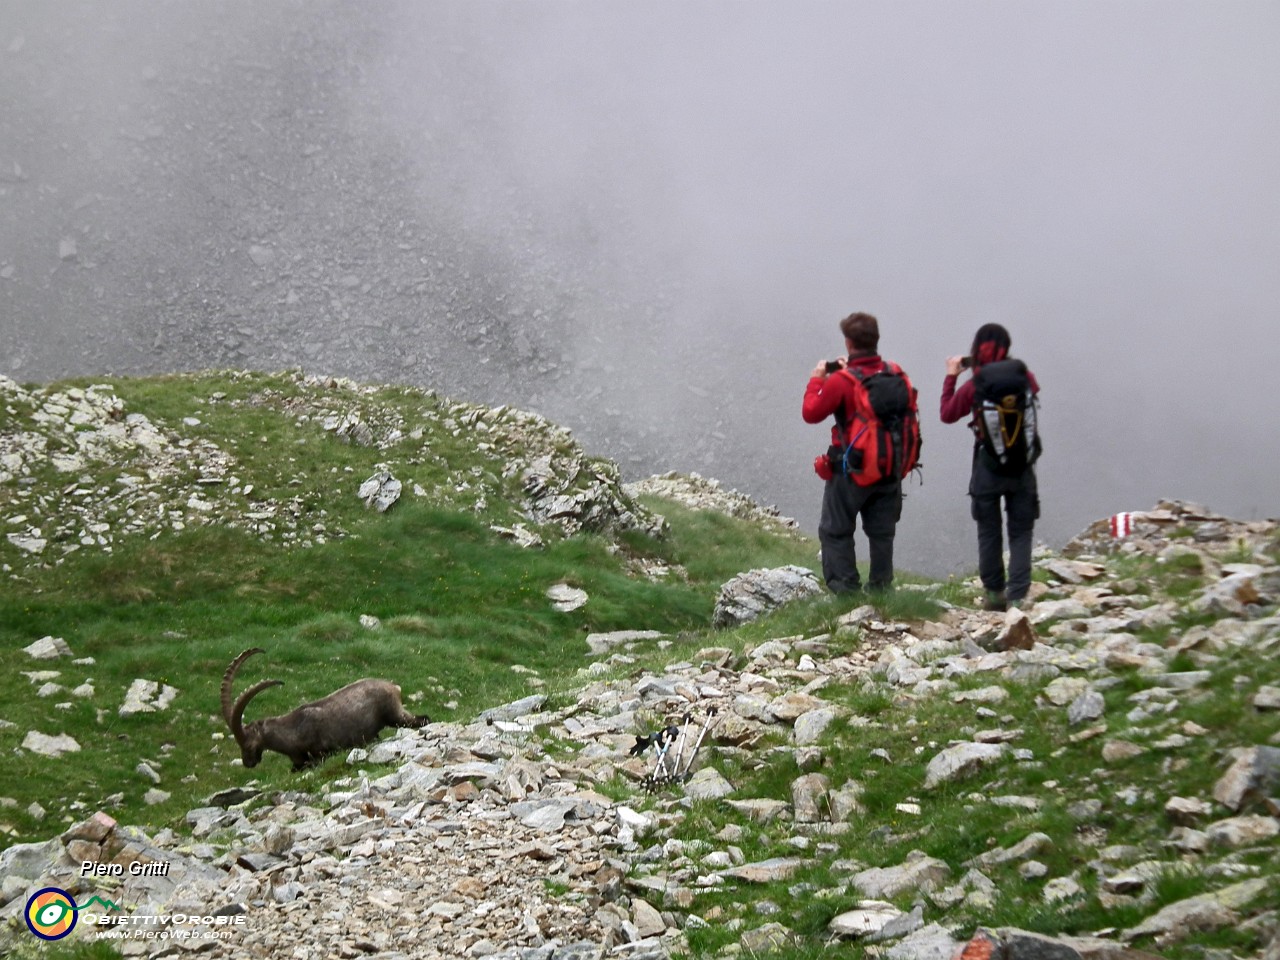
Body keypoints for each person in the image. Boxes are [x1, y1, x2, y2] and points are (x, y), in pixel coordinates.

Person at [802, 311, 910, 594]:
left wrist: (817, 380)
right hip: (889, 468)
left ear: (849, 343)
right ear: (876, 340)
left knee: (835, 530)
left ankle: (846, 592)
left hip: (851, 470)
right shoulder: (896, 372)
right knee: (882, 532)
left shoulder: (842, 381)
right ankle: (881, 589)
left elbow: (811, 413)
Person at [940, 323, 1040, 611]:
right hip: (1022, 465)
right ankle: (1019, 598)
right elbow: (1034, 394)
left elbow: (947, 414)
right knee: (1021, 532)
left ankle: (995, 595)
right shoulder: (1023, 376)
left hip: (987, 465)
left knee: (989, 530)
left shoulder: (977, 383)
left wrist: (951, 377)